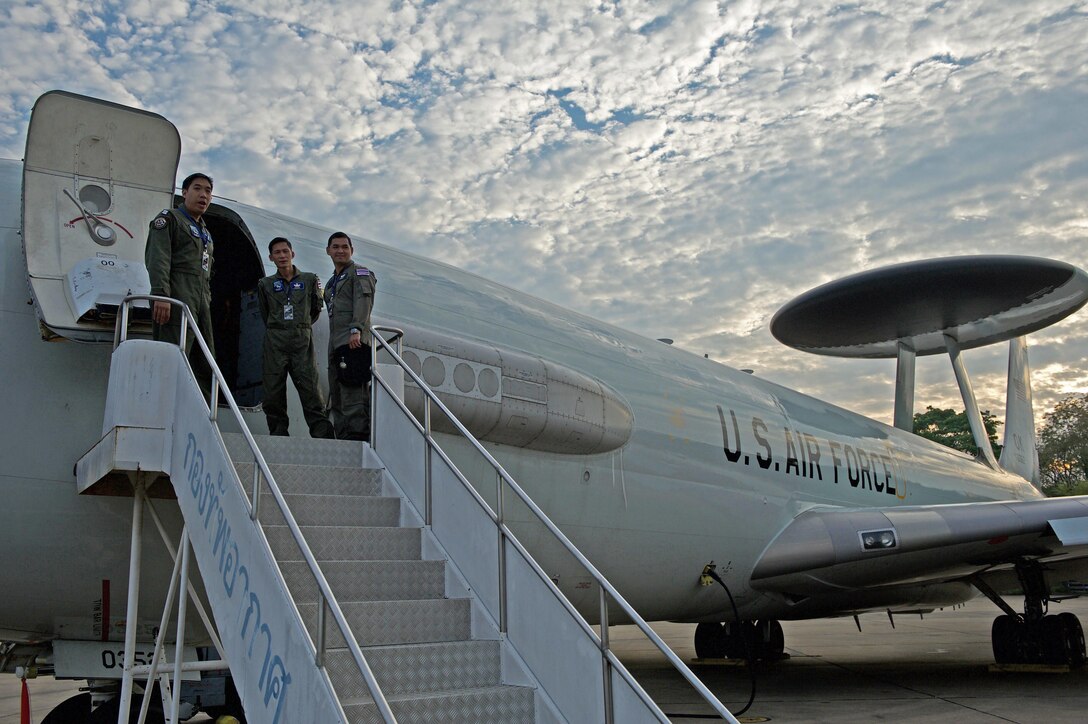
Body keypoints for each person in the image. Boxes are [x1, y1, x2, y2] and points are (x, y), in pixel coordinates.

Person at [145, 172, 216, 395]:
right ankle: (164, 410)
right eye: (197, 188)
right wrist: (162, 296)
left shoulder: (205, 231)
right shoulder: (170, 219)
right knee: (173, 354)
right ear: (184, 193)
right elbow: (158, 258)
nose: (203, 195)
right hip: (177, 297)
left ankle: (200, 413)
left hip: (201, 300)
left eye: (208, 191)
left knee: (204, 360)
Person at [257, 238, 335, 438]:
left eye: (285, 251)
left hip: (301, 338)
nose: (282, 256)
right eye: (277, 253)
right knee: (273, 390)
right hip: (275, 339)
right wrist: (280, 327)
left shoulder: (309, 280)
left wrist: (301, 325)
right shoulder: (265, 284)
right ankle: (278, 433)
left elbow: (316, 309)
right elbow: (265, 313)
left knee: (310, 389)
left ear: (292, 254)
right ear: (271, 257)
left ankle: (322, 436)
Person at [323, 232, 377, 441]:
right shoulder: (331, 283)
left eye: (345, 247)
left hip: (352, 341)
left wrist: (356, 329)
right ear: (328, 251)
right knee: (337, 392)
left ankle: (358, 436)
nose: (340, 251)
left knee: (354, 393)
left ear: (351, 250)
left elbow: (363, 302)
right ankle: (343, 436)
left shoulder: (360, 272)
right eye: (335, 247)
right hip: (336, 344)